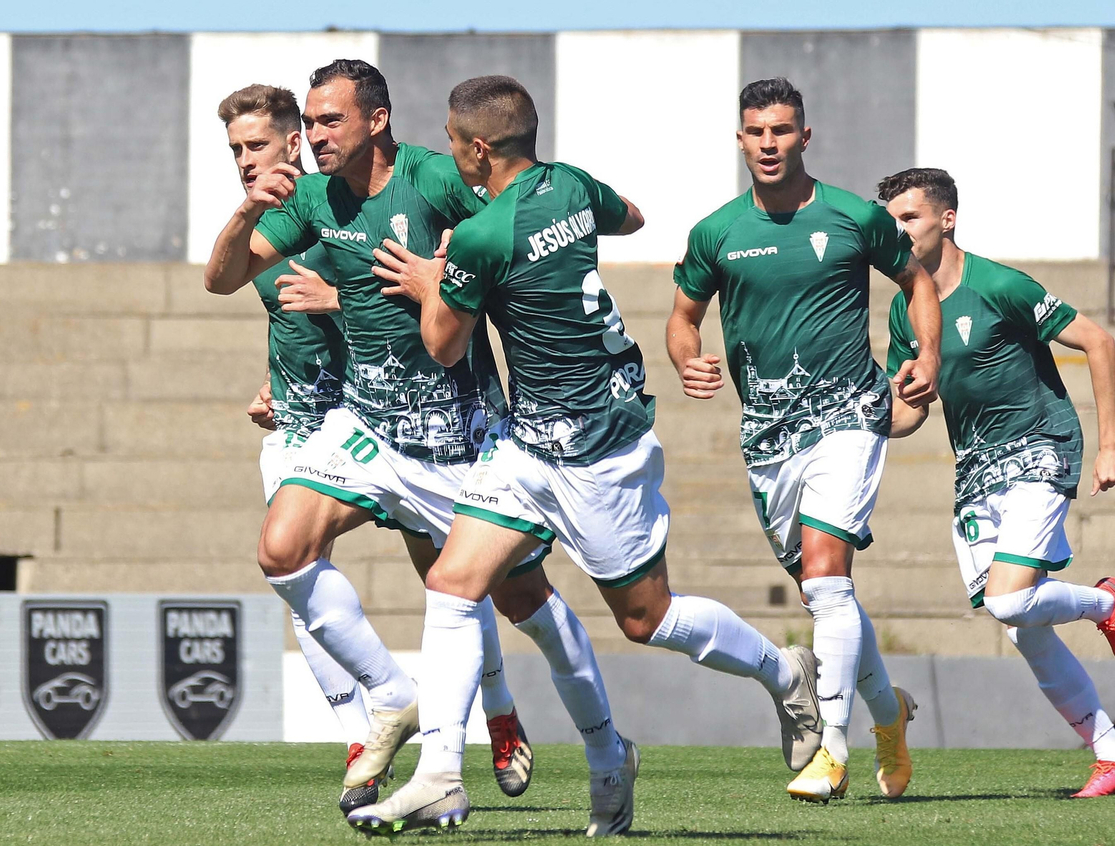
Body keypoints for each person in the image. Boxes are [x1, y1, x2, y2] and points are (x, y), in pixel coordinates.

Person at [348, 75, 823, 836]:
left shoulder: (479, 237)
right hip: (526, 445)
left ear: (476, 150)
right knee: (453, 581)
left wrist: (436, 279)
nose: (448, 153)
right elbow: (630, 217)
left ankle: (783, 671)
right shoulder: (567, 184)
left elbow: (442, 345)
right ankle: (440, 775)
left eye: (450, 140)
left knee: (646, 619)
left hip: (599, 449)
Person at [202, 59, 600, 807]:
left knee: (504, 600)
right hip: (349, 426)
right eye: (238, 150)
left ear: (369, 123)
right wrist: (247, 217)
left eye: (322, 124)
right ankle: (387, 708)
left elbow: (501, 237)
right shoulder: (299, 203)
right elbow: (233, 286)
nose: (300, 143)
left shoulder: (427, 181)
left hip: (458, 433)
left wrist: (437, 281)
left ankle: (572, 737)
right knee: (285, 552)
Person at [665, 78, 941, 802]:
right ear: (740, 138)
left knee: (823, 581)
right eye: (756, 131)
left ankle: (834, 748)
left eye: (781, 131)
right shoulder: (716, 231)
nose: (768, 143)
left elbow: (918, 283)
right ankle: (891, 716)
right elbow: (682, 316)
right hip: (767, 436)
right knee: (828, 596)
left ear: (804, 137)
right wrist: (686, 356)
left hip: (849, 413)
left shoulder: (853, 216)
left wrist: (927, 357)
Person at [880, 167, 1115, 799]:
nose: (897, 230)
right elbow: (910, 412)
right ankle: (1110, 754)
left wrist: (1109, 445)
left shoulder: (999, 284)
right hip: (977, 471)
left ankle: (1106, 604)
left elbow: (1098, 340)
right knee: (1022, 628)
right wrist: (872, 417)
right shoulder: (907, 310)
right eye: (891, 220)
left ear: (946, 218)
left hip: (1042, 447)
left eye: (909, 217)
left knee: (1010, 601)